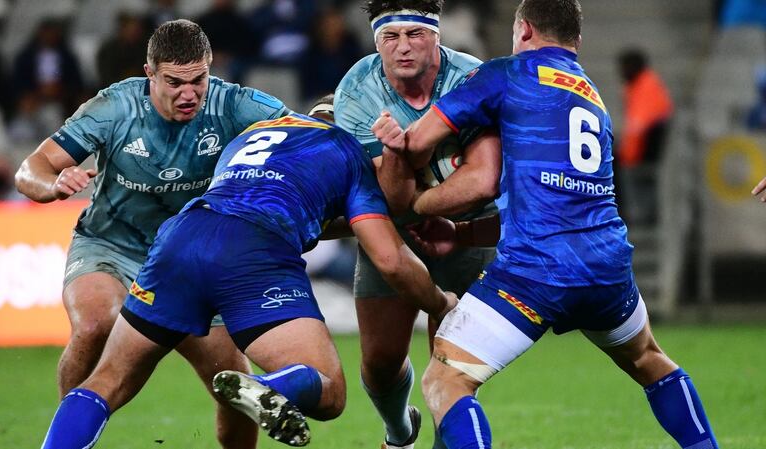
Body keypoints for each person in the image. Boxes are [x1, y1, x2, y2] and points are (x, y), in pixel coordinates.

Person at [372, 1, 720, 448]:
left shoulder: (507, 73)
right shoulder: (592, 95)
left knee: (446, 380)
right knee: (650, 360)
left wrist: (414, 190)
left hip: (537, 270)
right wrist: (461, 233)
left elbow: (417, 142)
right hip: (606, 267)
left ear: (524, 30)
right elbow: (557, 198)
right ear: (576, 40)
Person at [38, 96, 457, 449]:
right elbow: (389, 259)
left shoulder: (246, 138)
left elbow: (281, 200)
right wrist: (440, 302)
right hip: (254, 252)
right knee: (329, 391)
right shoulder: (348, 150)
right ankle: (273, 388)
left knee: (106, 381)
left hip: (183, 235)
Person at [15, 19, 290, 449]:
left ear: (210, 69)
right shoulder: (114, 107)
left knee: (232, 384)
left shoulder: (233, 104)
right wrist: (53, 184)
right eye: (174, 82)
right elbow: (30, 169)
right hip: (110, 246)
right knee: (95, 323)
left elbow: (307, 138)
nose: (189, 94)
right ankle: (69, 439)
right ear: (149, 73)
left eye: (198, 80)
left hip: (191, 261)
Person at [334, 1, 500, 448]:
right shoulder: (357, 87)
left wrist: (423, 201)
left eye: (415, 34)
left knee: (452, 374)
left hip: (467, 235)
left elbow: (483, 181)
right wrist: (393, 152)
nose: (403, 47)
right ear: (376, 42)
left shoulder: (471, 79)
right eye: (391, 37)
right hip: (395, 235)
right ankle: (398, 432)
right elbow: (390, 199)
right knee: (381, 360)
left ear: (437, 35)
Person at [616, 47, 673, 224]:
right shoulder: (639, 86)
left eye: (624, 66)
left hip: (646, 151)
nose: (621, 72)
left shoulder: (646, 86)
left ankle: (633, 215)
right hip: (644, 149)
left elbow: (640, 126)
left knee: (614, 162)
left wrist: (626, 154)